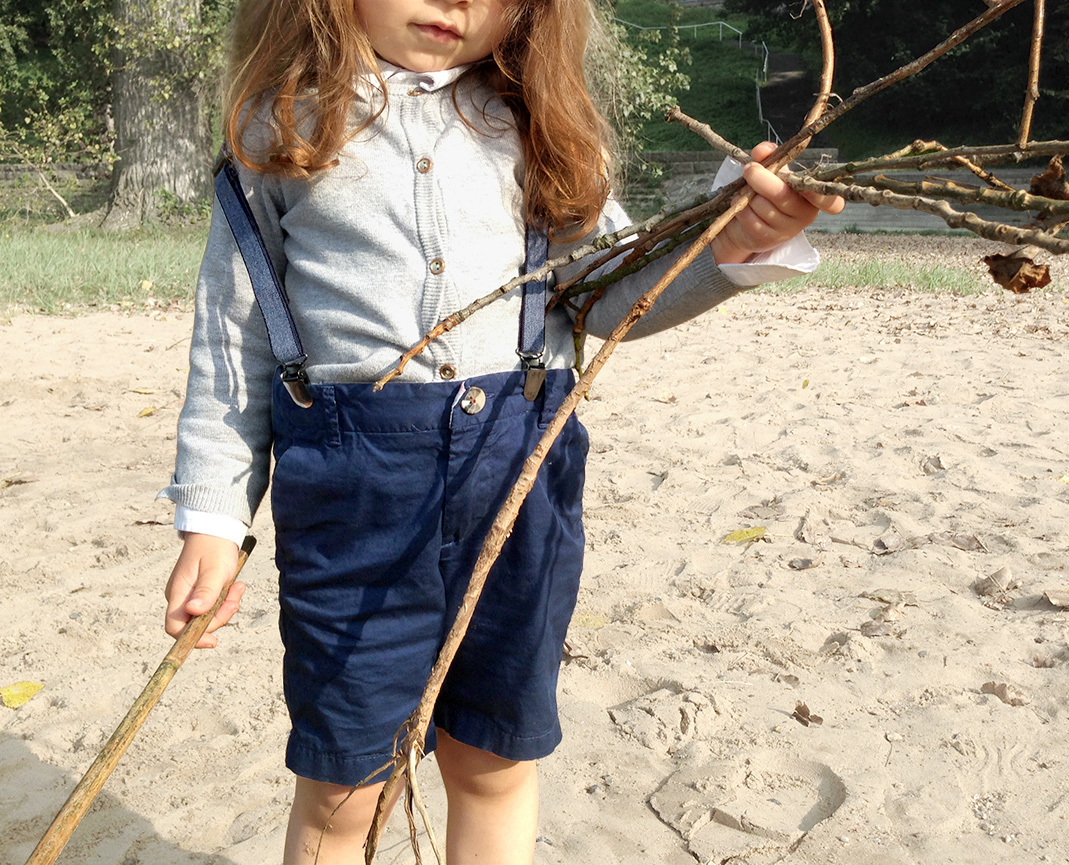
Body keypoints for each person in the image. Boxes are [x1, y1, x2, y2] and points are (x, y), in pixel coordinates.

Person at [160, 0, 844, 862]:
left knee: (493, 758)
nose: (457, 3)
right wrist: (214, 521)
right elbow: (234, 341)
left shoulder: (540, 128)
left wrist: (733, 237)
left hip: (519, 485)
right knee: (346, 782)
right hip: (353, 505)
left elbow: (613, 292)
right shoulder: (276, 130)